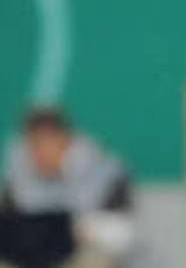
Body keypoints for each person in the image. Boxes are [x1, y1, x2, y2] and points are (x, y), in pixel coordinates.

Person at [0, 107, 134, 268]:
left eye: (46, 142)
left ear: (64, 139)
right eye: (33, 144)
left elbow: (126, 233)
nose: (39, 152)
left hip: (81, 253)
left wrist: (80, 230)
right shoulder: (17, 179)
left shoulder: (105, 174)